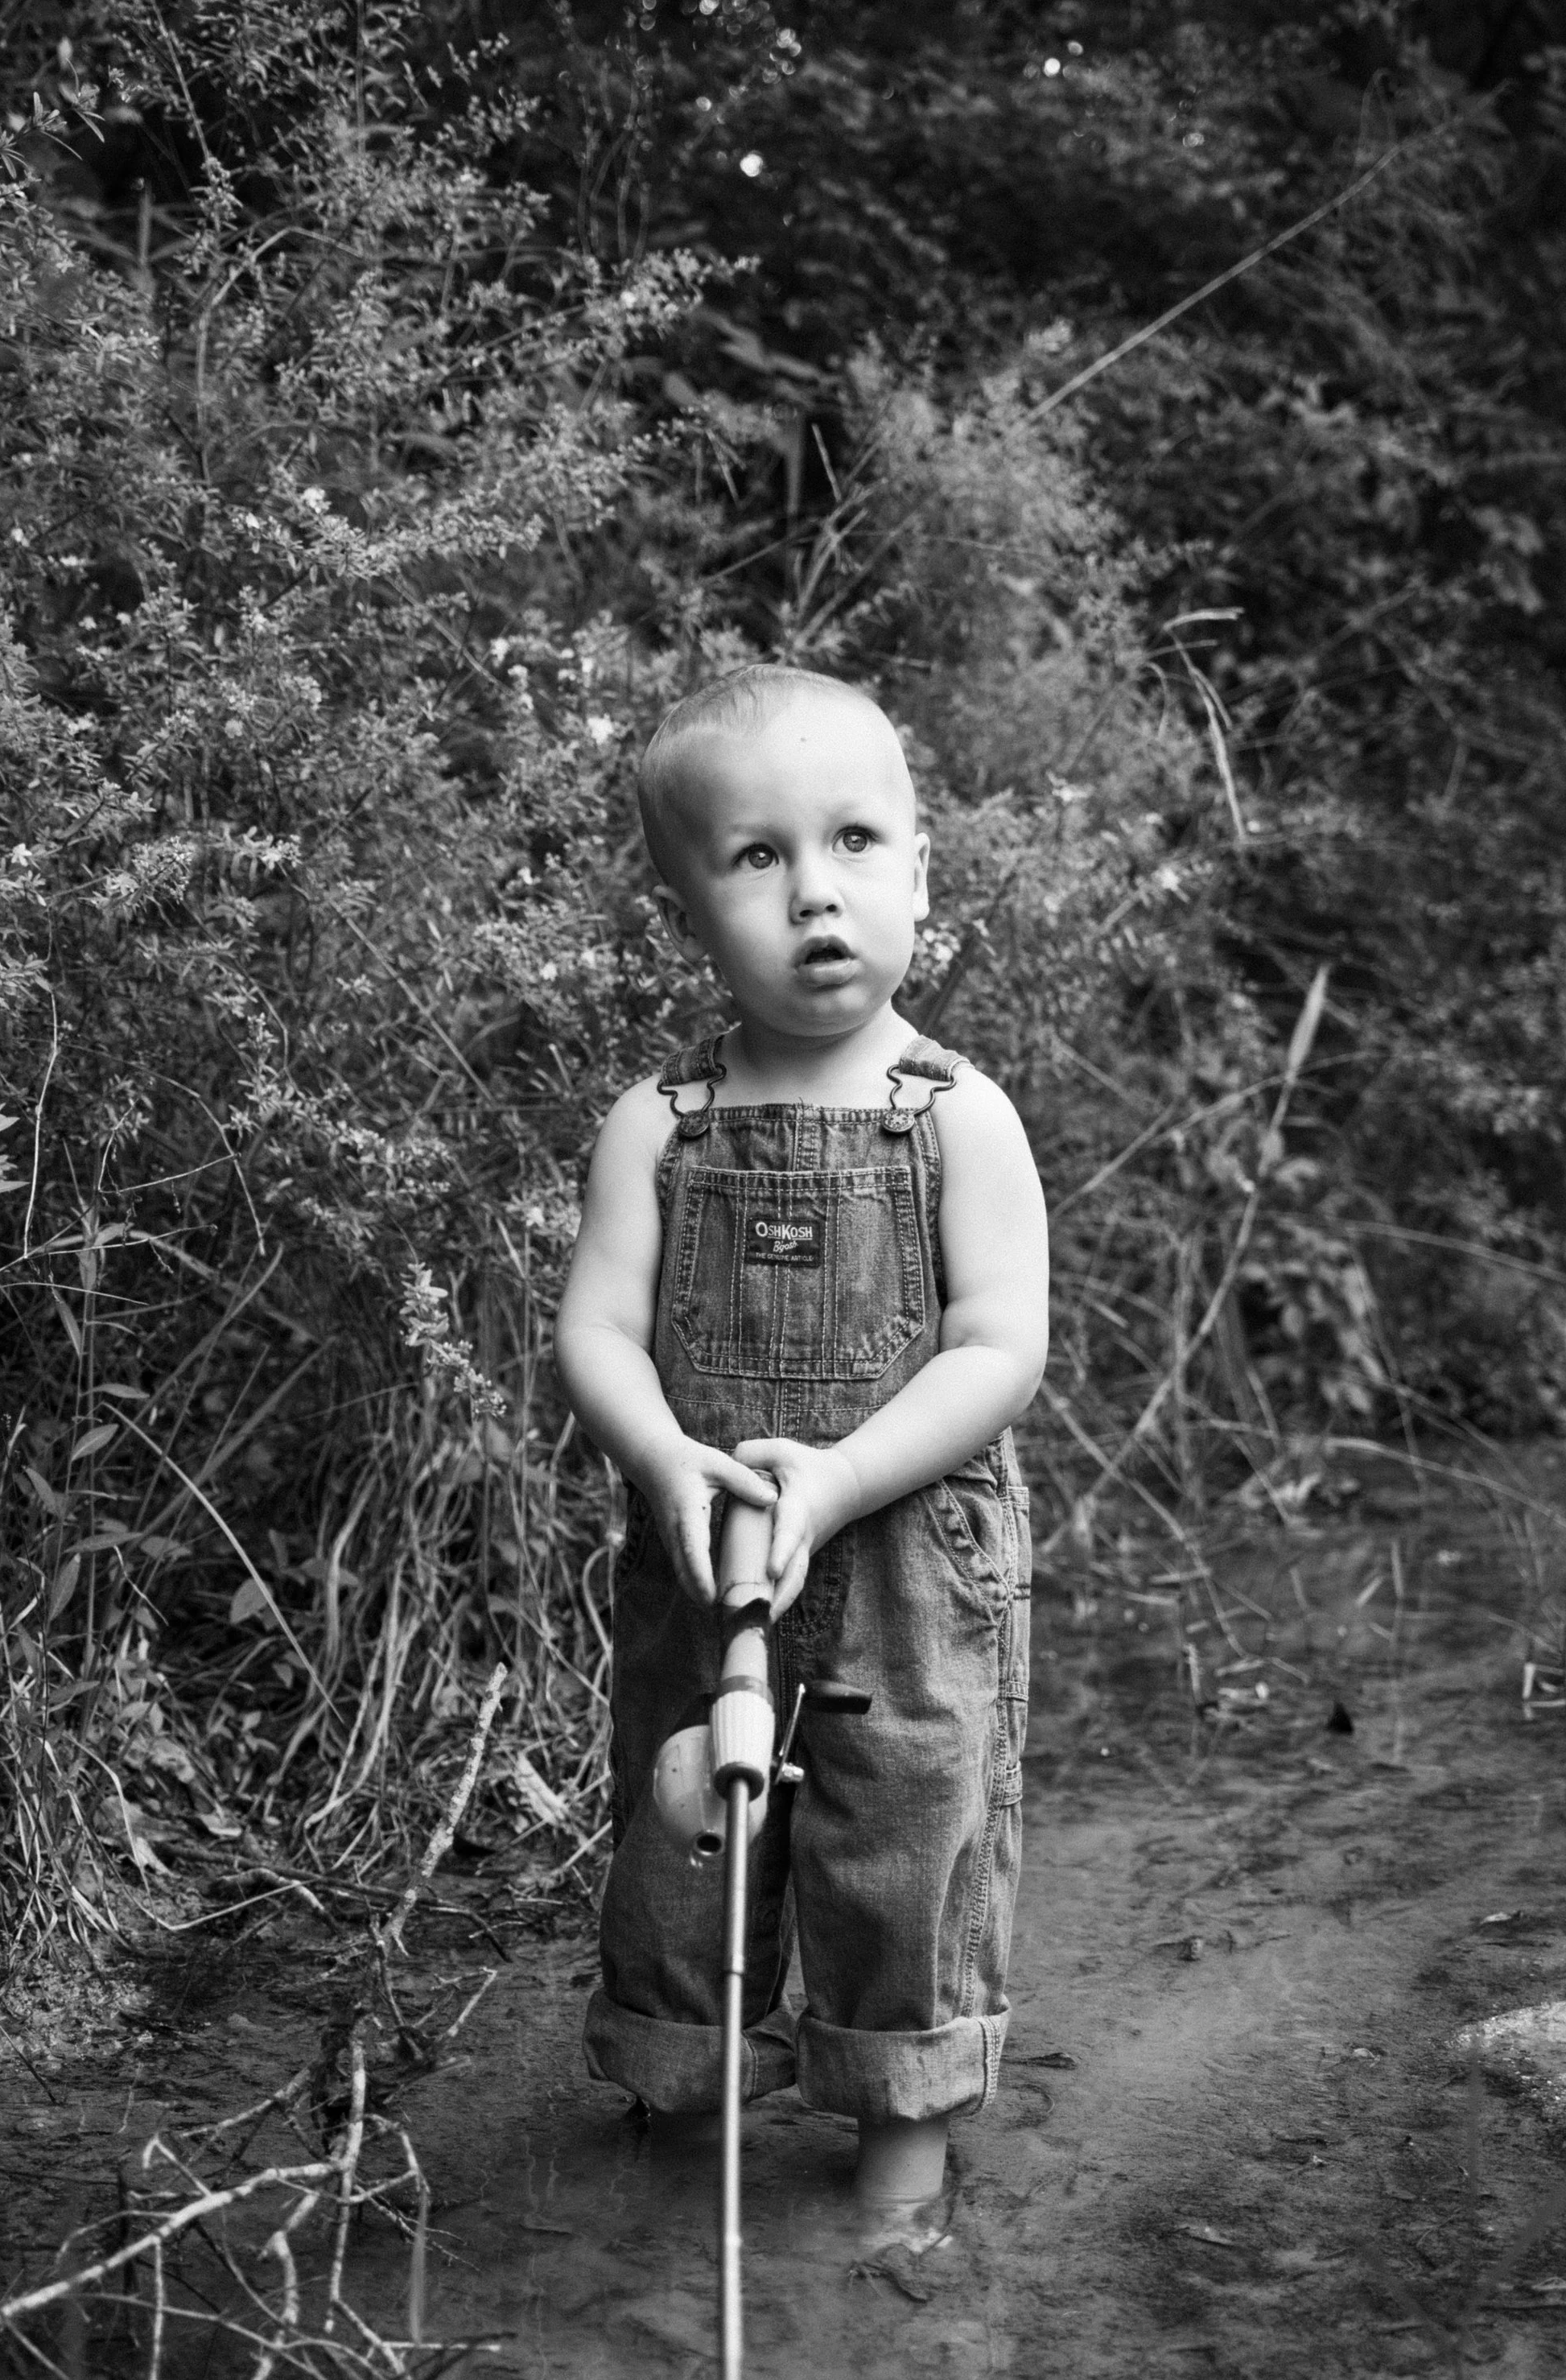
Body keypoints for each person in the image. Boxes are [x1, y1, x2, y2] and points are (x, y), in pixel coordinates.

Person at [554, 663, 1049, 2211]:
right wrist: (658, 1453)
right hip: (710, 1552)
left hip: (910, 1567)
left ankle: (897, 2210)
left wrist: (837, 1478)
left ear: (921, 871)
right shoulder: (658, 1121)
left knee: (906, 1843)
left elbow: (999, 1350)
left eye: (852, 844)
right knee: (685, 1833)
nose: (816, 896)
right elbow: (598, 1333)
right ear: (687, 908)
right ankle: (673, 2172)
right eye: (758, 860)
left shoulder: (959, 1115)